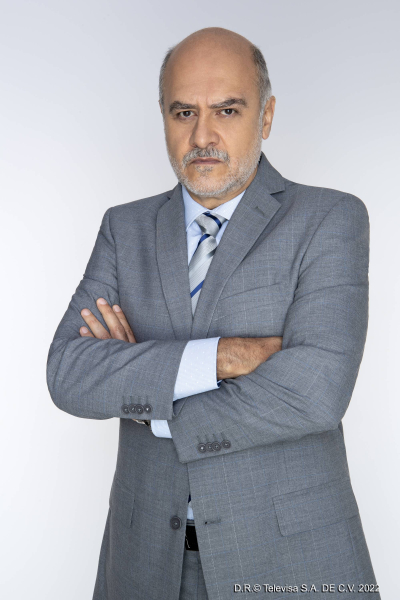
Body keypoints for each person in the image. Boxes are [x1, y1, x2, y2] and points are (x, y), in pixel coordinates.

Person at [47, 26, 380, 600]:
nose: (202, 135)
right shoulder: (124, 228)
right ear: (164, 117)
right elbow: (69, 374)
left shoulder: (329, 219)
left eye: (227, 110)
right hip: (143, 563)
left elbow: (315, 393)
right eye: (184, 113)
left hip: (288, 562)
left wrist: (147, 396)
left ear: (266, 116)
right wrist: (221, 357)